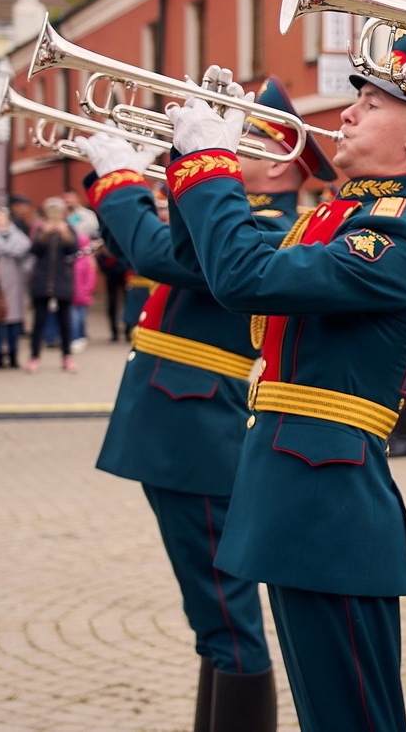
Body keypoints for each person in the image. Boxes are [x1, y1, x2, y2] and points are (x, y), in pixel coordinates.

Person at [167, 40, 406, 732]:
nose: (347, 113)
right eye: (355, 98)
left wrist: (213, 164)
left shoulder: (397, 239)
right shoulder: (335, 217)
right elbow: (205, 265)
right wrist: (186, 162)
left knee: (352, 718)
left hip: (328, 505)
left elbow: (244, 279)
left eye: (371, 103)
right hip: (293, 491)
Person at [76, 77, 335, 732]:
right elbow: (159, 245)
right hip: (180, 427)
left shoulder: (268, 227)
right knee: (213, 621)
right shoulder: (233, 218)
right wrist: (160, 171)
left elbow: (161, 256)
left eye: (238, 134)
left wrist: (118, 180)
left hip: (200, 435)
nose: (219, 144)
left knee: (228, 621)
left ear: (279, 161)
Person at [26, 197, 78, 373]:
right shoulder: (40, 228)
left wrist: (65, 235)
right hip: (41, 281)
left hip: (63, 281)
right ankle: (34, 357)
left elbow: (74, 251)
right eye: (51, 211)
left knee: (65, 322)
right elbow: (33, 251)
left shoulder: (69, 228)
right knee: (38, 322)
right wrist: (43, 235)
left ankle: (67, 357)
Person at [0, 207, 30, 369]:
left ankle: (13, 354)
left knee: (14, 321)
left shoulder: (19, 237)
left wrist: (26, 274)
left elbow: (29, 257)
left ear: (7, 219)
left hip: (15, 282)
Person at [70, 230, 96, 353]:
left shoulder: (87, 260)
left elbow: (91, 277)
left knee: (81, 317)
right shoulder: (70, 259)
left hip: (83, 294)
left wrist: (86, 290)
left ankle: (81, 336)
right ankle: (75, 337)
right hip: (72, 294)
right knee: (73, 318)